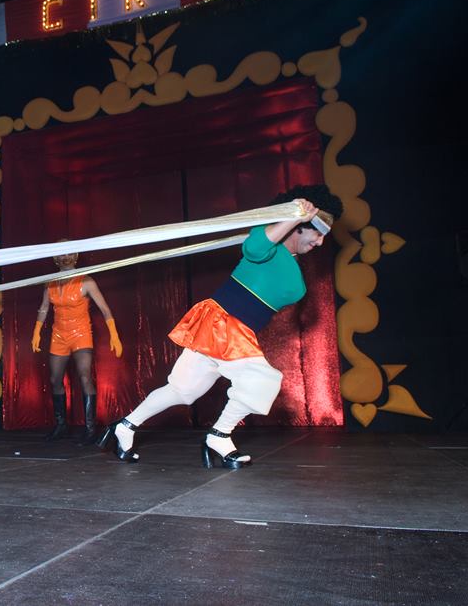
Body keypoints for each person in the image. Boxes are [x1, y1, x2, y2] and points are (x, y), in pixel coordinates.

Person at [98, 185, 343, 467]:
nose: (321, 243)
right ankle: (219, 436)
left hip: (232, 331)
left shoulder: (289, 262)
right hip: (223, 323)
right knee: (262, 379)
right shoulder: (266, 245)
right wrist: (293, 215)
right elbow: (253, 248)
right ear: (299, 227)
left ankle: (125, 426)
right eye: (318, 233)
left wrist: (298, 221)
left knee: (183, 391)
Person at [32, 249, 123, 445]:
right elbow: (44, 307)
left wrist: (113, 334)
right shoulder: (50, 282)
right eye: (61, 254)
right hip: (59, 334)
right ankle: (61, 425)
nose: (65, 257)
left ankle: (90, 429)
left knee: (84, 375)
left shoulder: (86, 281)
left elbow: (104, 308)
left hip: (81, 333)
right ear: (56, 258)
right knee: (55, 379)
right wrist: (36, 331)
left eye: (69, 253)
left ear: (75, 256)